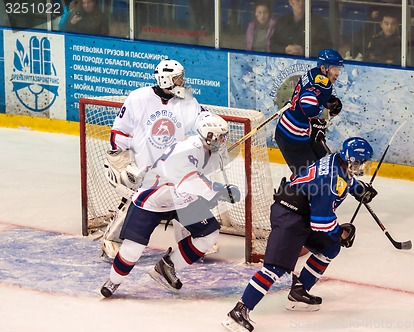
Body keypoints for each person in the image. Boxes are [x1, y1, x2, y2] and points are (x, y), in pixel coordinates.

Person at [222, 137, 378, 332]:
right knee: (275, 268)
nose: (363, 166)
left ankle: (299, 291)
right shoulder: (329, 179)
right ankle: (239, 311)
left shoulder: (337, 162)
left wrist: (359, 189)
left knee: (330, 247)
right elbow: (321, 222)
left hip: (302, 213)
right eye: (361, 162)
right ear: (350, 159)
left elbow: (347, 180)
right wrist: (341, 233)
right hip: (289, 215)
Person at [101, 114, 241, 297]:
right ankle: (113, 281)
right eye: (221, 136)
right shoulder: (190, 149)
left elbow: (197, 176)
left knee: (208, 234)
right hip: (153, 198)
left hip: (180, 199)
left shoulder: (204, 149)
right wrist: (219, 190)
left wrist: (218, 187)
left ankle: (167, 267)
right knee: (132, 249)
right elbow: (189, 180)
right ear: (209, 136)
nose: (224, 140)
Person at [100, 57, 212, 261]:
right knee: (135, 202)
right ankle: (113, 241)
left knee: (185, 196)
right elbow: (120, 130)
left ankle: (195, 239)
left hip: (174, 165)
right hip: (144, 166)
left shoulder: (187, 100)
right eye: (178, 79)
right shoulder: (138, 98)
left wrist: (210, 126)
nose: (182, 82)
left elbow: (202, 118)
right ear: (166, 80)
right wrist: (121, 160)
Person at [274, 49, 344, 176]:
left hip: (302, 134)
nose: (338, 73)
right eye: (335, 69)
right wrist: (316, 120)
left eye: (339, 69)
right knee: (309, 177)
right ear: (324, 68)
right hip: (291, 137)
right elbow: (307, 102)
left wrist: (326, 102)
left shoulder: (313, 73)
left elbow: (310, 94)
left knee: (325, 165)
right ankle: (290, 193)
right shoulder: (323, 84)